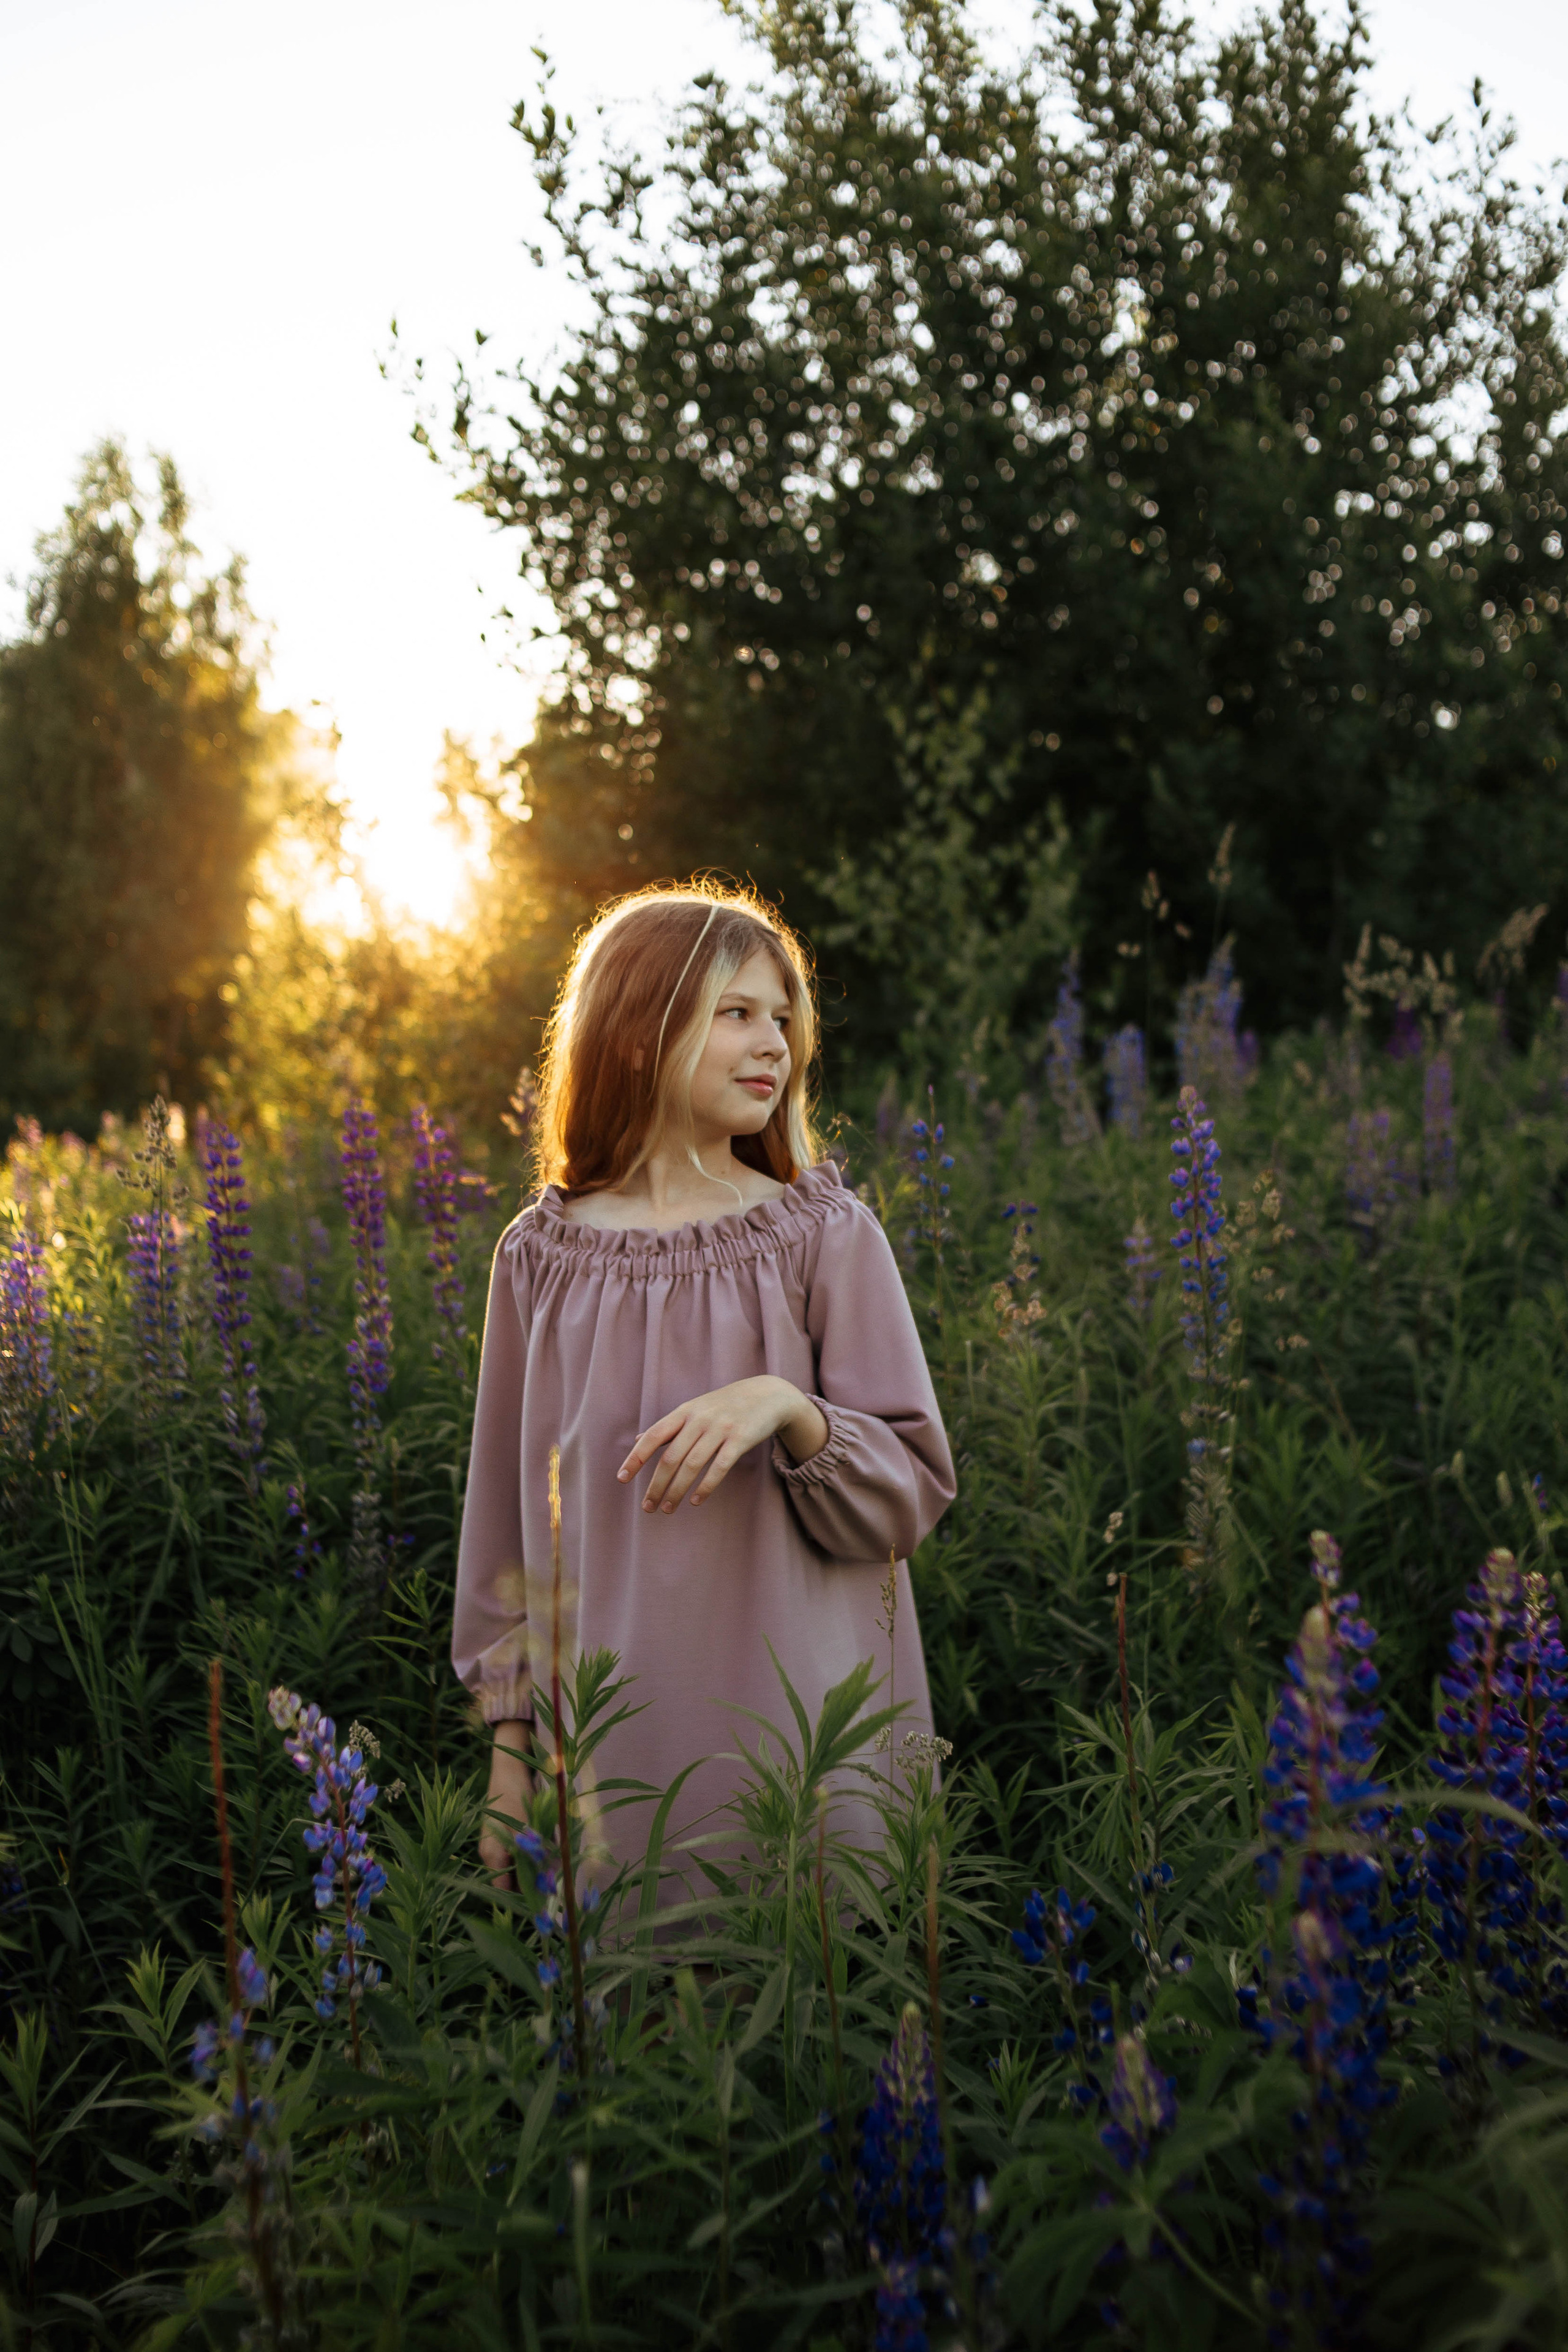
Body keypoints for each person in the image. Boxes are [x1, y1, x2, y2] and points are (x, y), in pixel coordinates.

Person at [451, 882, 956, 1894]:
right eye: (737, 1013)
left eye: (782, 1018)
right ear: (638, 1034)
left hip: (808, 1757)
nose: (776, 1043)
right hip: (609, 1768)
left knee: (813, 1983)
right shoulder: (539, 1260)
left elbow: (909, 1497)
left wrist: (791, 1410)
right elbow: (504, 1531)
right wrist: (510, 1753)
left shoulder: (823, 1236)